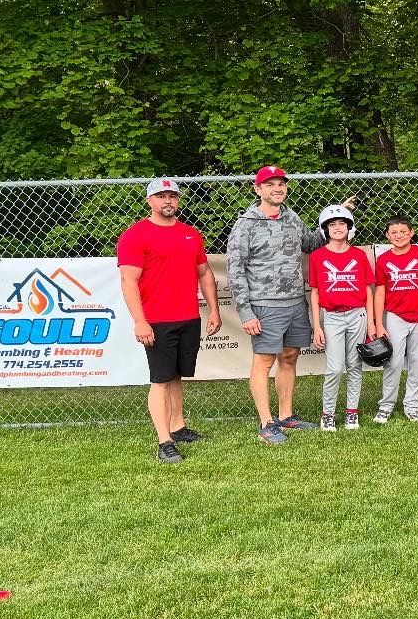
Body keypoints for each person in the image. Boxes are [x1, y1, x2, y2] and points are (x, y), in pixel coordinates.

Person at [116, 178, 222, 463]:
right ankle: (164, 441)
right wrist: (140, 321)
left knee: (176, 375)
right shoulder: (136, 235)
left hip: (188, 316)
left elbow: (204, 273)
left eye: (172, 196)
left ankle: (178, 426)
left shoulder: (190, 233)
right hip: (157, 320)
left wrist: (214, 309)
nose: (168, 201)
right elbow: (128, 281)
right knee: (161, 380)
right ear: (149, 201)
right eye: (161, 196)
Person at [226, 165, 326, 445]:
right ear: (258, 190)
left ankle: (286, 416)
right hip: (264, 305)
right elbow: (235, 270)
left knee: (290, 357)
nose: (277, 188)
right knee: (264, 361)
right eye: (270, 184)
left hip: (295, 302)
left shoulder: (291, 217)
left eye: (281, 183)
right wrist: (245, 311)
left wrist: (333, 220)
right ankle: (266, 422)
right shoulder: (246, 224)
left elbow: (311, 243)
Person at [307, 204, 376, 431]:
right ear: (325, 229)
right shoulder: (318, 257)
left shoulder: (358, 255)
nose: (337, 228)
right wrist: (317, 326)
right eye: (332, 225)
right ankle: (328, 413)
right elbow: (315, 293)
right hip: (332, 317)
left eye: (342, 224)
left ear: (349, 227)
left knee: (354, 365)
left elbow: (368, 290)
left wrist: (372, 323)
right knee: (335, 368)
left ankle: (351, 412)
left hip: (357, 314)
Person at [373, 215, 418, 423]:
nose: (399, 236)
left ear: (411, 233)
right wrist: (379, 323)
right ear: (387, 235)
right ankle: (386, 406)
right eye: (394, 233)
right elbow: (380, 293)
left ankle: (412, 406)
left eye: (403, 232)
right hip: (396, 316)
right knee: (393, 362)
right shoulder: (383, 260)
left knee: (417, 363)